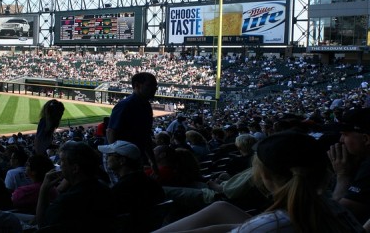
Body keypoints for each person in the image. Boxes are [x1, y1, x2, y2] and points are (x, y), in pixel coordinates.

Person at [156, 131, 364, 233]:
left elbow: (259, 227)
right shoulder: (331, 207)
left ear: (263, 175)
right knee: (219, 209)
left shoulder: (271, 224)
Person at [35, 141, 114, 232]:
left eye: (62, 161)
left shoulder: (65, 202)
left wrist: (43, 189)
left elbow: (42, 225)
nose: (60, 165)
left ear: (75, 168)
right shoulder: (105, 189)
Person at [108, 72, 158, 166]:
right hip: (122, 159)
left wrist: (153, 162)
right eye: (150, 85)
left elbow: (145, 136)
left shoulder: (146, 105)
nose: (155, 89)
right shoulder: (125, 104)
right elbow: (111, 132)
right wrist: (116, 157)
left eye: (155, 86)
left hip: (136, 156)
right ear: (137, 85)